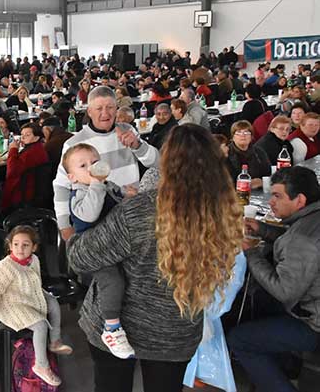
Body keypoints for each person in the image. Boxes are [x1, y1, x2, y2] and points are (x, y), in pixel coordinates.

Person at [68, 124, 242, 391]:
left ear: (167, 163)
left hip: (119, 324)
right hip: (176, 330)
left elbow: (80, 257)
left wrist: (77, 234)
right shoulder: (225, 212)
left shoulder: (141, 211)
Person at [229, 166, 320, 392]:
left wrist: (250, 252)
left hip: (312, 324)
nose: (271, 202)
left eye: (277, 196)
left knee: (240, 339)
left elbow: (283, 291)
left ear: (300, 200)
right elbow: (297, 243)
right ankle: (289, 366)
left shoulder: (301, 239)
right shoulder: (312, 219)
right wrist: (264, 229)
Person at [53, 86, 159, 240]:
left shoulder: (128, 131)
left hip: (132, 214)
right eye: (99, 108)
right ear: (89, 111)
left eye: (110, 107)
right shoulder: (74, 144)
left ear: (117, 109)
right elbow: (61, 185)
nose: (105, 113)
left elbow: (158, 163)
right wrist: (64, 225)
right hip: (98, 224)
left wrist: (137, 145)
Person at [63, 143, 135, 358]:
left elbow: (117, 197)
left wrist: (127, 194)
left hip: (114, 242)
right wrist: (96, 184)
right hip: (93, 249)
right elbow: (90, 215)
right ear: (72, 177)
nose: (91, 168)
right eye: (83, 165)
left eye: (95, 162)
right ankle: (111, 327)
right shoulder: (79, 195)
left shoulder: (105, 184)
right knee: (112, 280)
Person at [0, 225, 73, 387]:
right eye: (15, 244)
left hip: (28, 295)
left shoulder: (34, 260)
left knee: (53, 303)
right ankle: (41, 366)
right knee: (40, 325)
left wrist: (42, 295)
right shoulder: (6, 268)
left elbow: (33, 282)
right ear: (9, 246)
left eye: (25, 245)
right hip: (12, 304)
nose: (20, 249)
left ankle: (55, 341)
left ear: (34, 247)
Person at [1, 123, 48, 211]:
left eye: (27, 135)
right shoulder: (38, 148)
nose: (23, 137)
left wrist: (13, 150)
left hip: (23, 191)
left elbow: (11, 172)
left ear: (37, 137)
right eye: (22, 135)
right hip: (33, 190)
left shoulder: (30, 153)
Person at [226, 120, 271, 187]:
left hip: (258, 190)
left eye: (246, 132)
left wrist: (262, 182)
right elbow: (226, 180)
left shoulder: (259, 152)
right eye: (238, 132)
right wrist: (247, 184)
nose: (243, 135)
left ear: (251, 136)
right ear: (233, 137)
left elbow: (268, 173)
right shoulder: (226, 153)